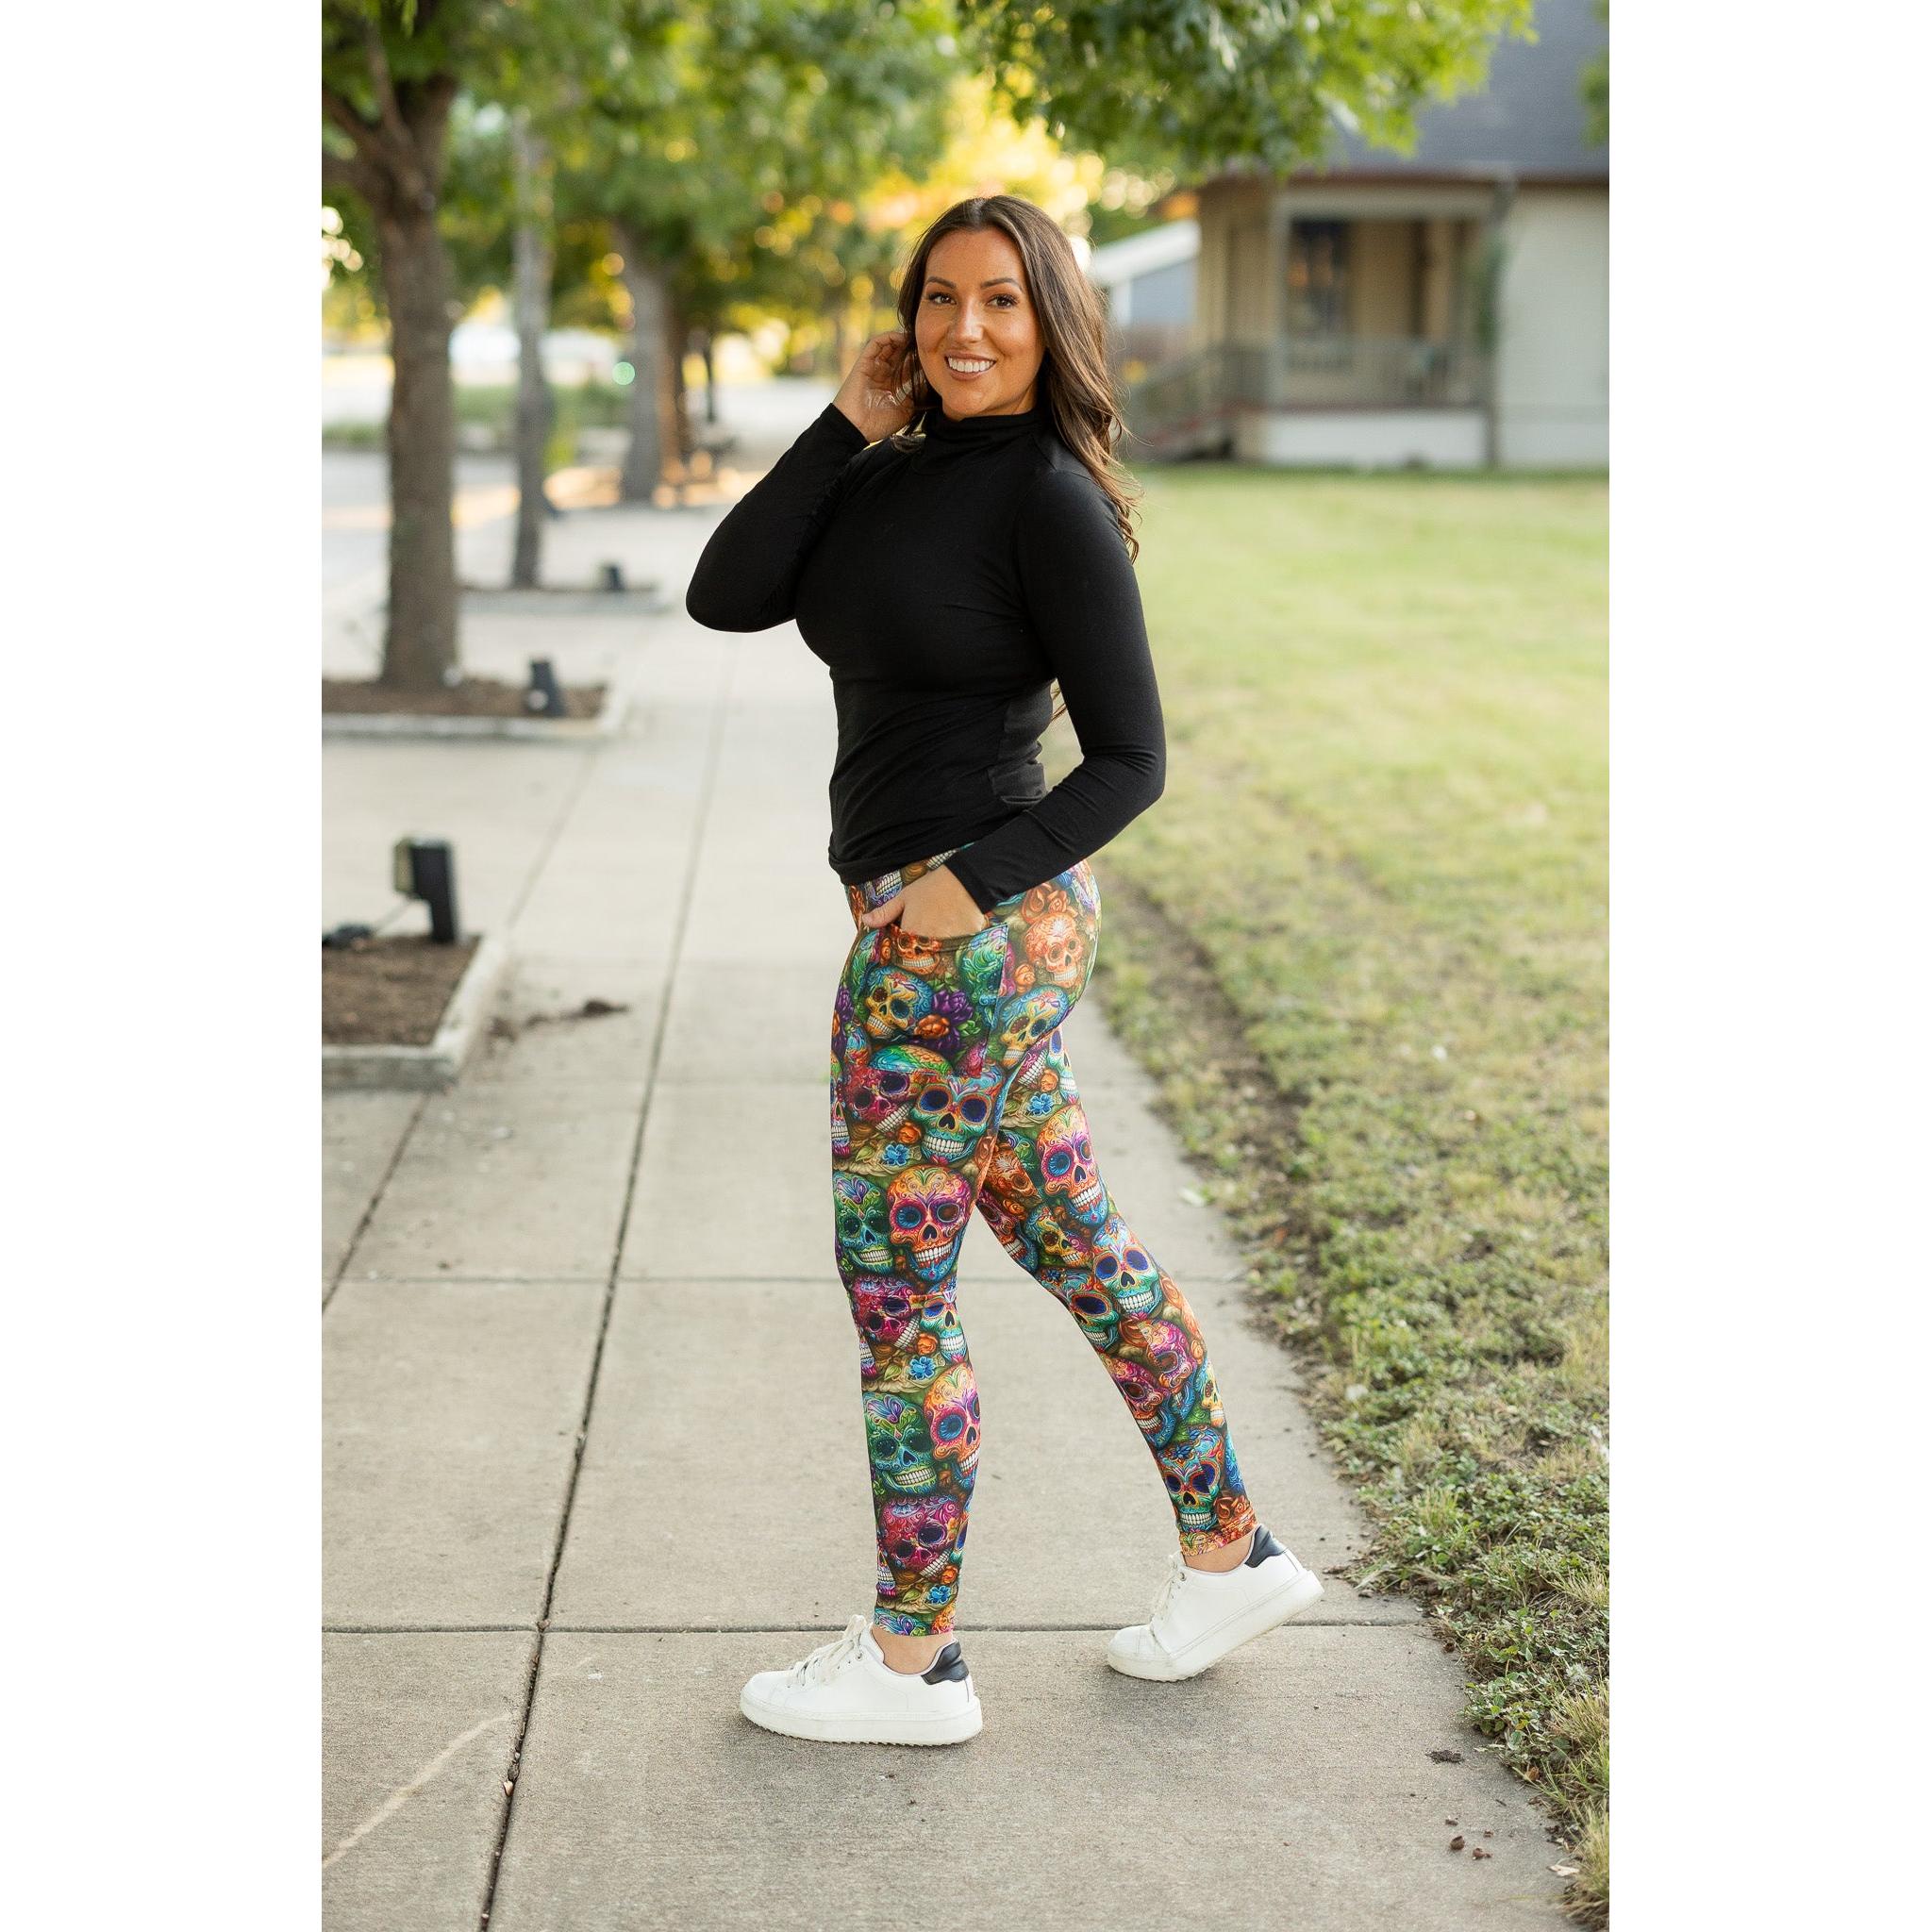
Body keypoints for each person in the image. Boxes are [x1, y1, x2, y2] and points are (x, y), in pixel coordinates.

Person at [685, 194, 1322, 1747]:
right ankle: (1233, 1553)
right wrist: (845, 421)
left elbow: (1133, 759)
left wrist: (964, 889)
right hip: (951, 930)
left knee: (900, 1296)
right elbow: (727, 589)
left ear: (1052, 322)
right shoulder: (889, 469)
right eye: (939, 298)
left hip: (964, 933)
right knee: (1082, 1244)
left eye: (1001, 302)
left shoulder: (1049, 498)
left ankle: (914, 1666)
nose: (965, 328)